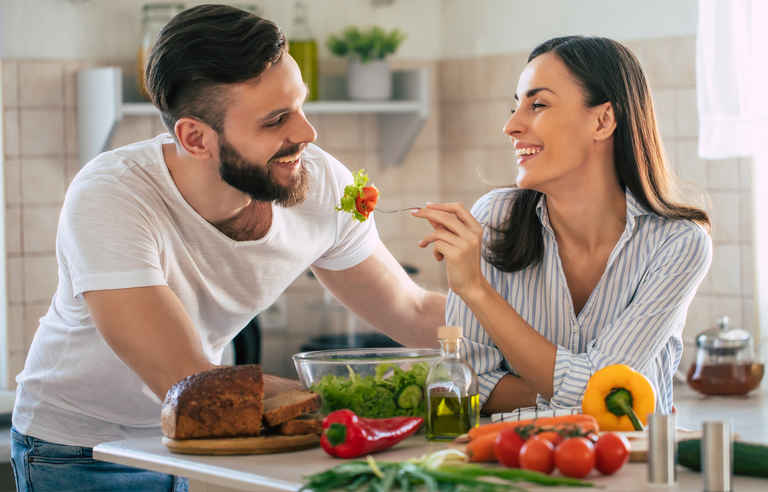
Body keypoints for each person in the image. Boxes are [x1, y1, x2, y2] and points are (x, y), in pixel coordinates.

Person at [10, 5, 445, 491]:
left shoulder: (317, 182)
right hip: (81, 451)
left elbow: (412, 310)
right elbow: (186, 379)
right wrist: (368, 397)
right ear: (195, 137)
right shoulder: (112, 195)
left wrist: (531, 341)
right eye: (275, 119)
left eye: (300, 105)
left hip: (203, 441)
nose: (306, 133)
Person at [414, 36, 712, 416]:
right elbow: (468, 383)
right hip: (515, 464)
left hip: (629, 466)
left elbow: (601, 388)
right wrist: (576, 394)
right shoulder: (492, 221)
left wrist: (475, 289)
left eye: (537, 104)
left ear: (603, 120)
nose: (510, 126)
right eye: (515, 106)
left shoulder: (678, 244)